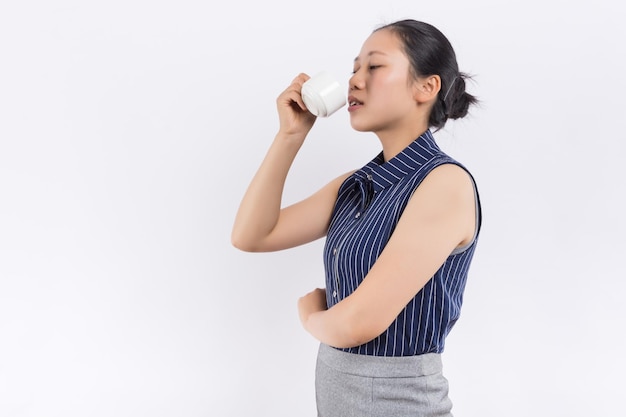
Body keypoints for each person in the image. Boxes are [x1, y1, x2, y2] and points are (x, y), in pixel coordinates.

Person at [231, 19, 482, 417]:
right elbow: (252, 235)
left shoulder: (444, 184)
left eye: (374, 67)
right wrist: (290, 136)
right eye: (353, 69)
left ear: (426, 87)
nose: (355, 81)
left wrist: (311, 315)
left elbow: (358, 323)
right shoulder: (356, 184)